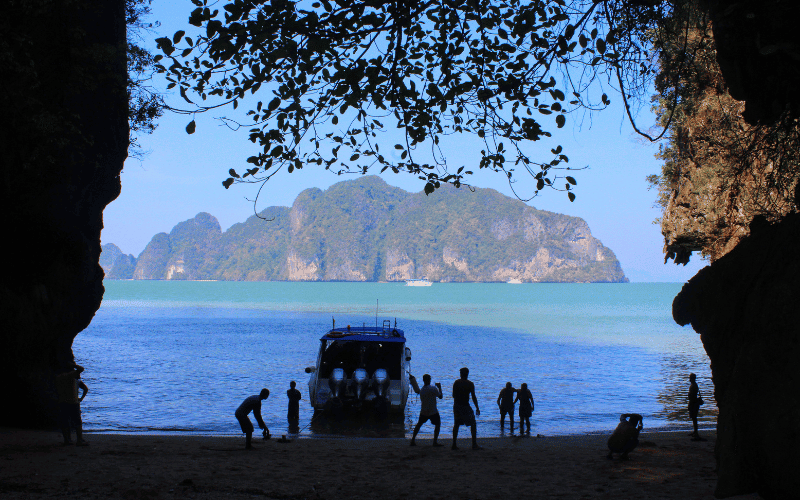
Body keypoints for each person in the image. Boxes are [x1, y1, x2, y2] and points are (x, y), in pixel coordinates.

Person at [55, 363, 89, 446]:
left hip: (62, 402)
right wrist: (73, 364)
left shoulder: (58, 377)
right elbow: (81, 369)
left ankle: (67, 440)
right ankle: (79, 440)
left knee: (65, 422)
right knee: (77, 422)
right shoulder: (71, 377)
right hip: (73, 402)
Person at [409, 373, 443, 447]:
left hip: (424, 411)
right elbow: (440, 397)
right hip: (433, 411)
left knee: (419, 425)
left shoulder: (422, 390)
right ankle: (435, 442)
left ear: (423, 380)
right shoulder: (433, 388)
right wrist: (439, 387)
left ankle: (413, 440)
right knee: (438, 424)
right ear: (429, 380)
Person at [452, 367, 481, 450]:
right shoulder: (470, 384)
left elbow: (453, 395)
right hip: (465, 406)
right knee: (473, 424)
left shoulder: (456, 383)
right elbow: (473, 397)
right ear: (467, 374)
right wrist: (477, 407)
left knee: (456, 424)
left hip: (457, 405)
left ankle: (454, 444)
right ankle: (474, 444)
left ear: (461, 374)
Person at [688, 373, 705, 441]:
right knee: (694, 417)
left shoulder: (694, 386)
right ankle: (695, 431)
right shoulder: (694, 385)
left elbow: (692, 396)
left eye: (690, 378)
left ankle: (696, 432)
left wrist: (690, 403)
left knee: (694, 417)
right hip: (694, 403)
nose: (689, 379)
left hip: (694, 403)